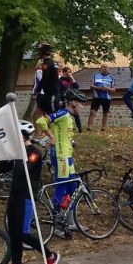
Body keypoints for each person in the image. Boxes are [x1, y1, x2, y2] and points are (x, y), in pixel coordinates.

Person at [0, 121, 60, 264]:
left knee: (23, 233)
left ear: (24, 136)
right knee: (14, 235)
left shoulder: (34, 153)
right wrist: (8, 154)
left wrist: (17, 154)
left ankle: (50, 256)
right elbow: (1, 169)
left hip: (26, 197)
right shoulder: (17, 152)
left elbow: (23, 170)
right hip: (13, 196)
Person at [36, 90, 88, 235]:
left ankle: (71, 222)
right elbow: (41, 121)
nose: (82, 107)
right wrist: (51, 137)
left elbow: (63, 134)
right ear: (73, 103)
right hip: (61, 157)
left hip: (67, 156)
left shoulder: (69, 117)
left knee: (73, 188)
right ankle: (56, 225)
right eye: (80, 104)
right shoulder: (63, 114)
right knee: (61, 188)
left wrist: (71, 142)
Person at [31, 49, 61, 120]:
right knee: (37, 114)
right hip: (49, 93)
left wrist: (37, 91)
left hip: (51, 93)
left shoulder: (46, 63)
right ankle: (39, 128)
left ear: (42, 53)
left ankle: (49, 127)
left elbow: (44, 78)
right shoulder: (53, 63)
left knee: (52, 116)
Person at [87, 64, 116, 131]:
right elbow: (91, 86)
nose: (105, 68)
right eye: (104, 67)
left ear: (108, 69)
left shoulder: (111, 78)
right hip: (96, 97)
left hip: (107, 98)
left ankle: (103, 128)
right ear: (101, 68)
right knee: (92, 112)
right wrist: (98, 88)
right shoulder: (96, 76)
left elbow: (114, 89)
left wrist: (107, 88)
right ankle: (89, 127)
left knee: (105, 113)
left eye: (107, 67)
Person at [58, 66, 82, 131]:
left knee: (76, 114)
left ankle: (80, 129)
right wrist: (59, 100)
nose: (68, 74)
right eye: (67, 72)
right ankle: (66, 127)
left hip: (72, 99)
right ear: (63, 72)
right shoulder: (60, 80)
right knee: (65, 114)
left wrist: (72, 77)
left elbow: (77, 87)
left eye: (69, 72)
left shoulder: (71, 79)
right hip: (63, 99)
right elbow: (58, 91)